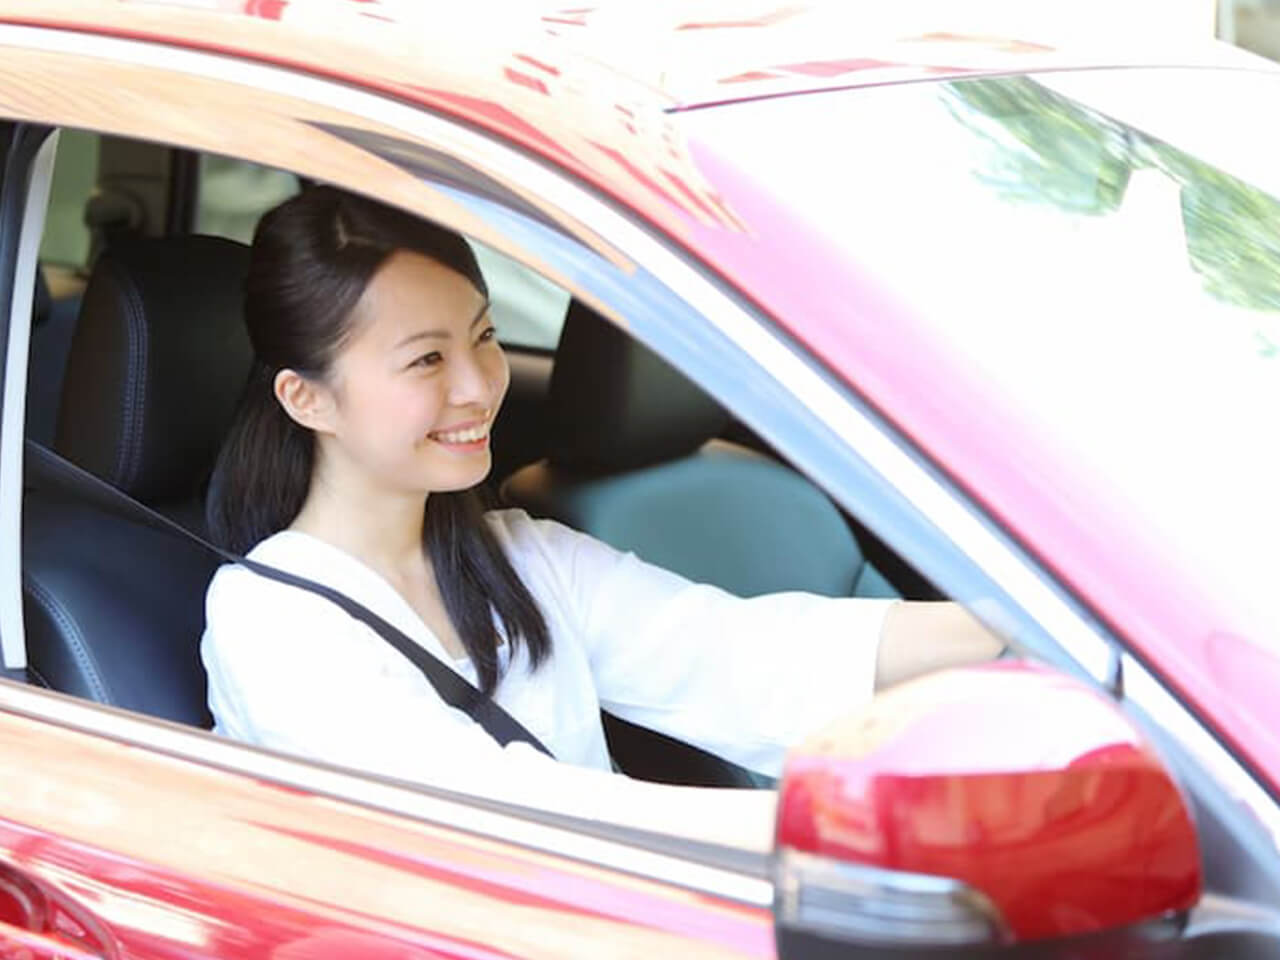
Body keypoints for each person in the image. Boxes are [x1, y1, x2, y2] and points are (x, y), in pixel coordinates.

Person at [200, 187, 1003, 849]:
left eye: (483, 337)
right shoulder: (269, 620)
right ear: (307, 398)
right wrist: (856, 827)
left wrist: (1026, 634)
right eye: (427, 359)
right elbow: (502, 820)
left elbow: (740, 652)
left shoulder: (518, 556)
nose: (480, 385)